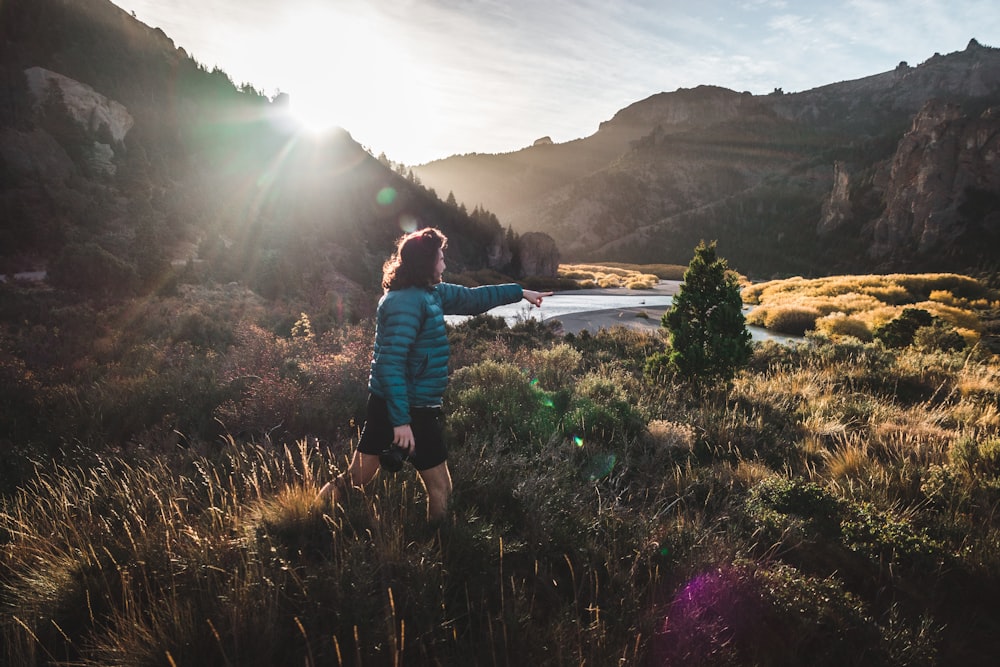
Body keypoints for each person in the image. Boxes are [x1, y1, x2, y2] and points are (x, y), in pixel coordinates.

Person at [317, 227, 551, 521]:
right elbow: (390, 364)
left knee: (357, 478)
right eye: (440, 258)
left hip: (397, 404)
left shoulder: (430, 293)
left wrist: (520, 292)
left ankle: (313, 512)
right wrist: (401, 422)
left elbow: (473, 299)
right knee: (441, 488)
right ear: (425, 264)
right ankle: (442, 549)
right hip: (408, 408)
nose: (444, 264)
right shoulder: (403, 303)